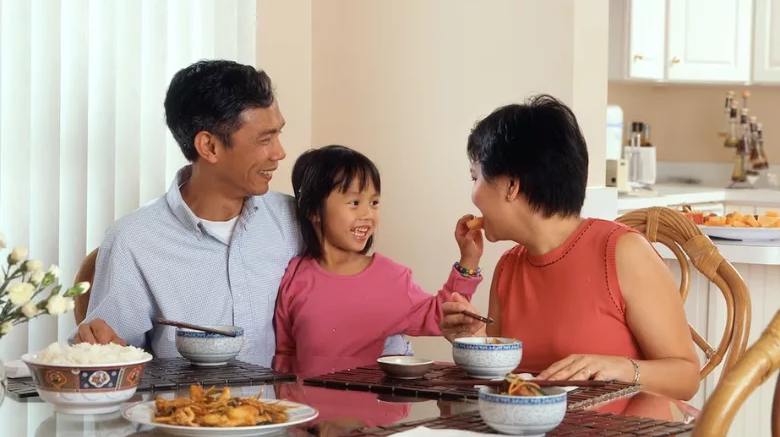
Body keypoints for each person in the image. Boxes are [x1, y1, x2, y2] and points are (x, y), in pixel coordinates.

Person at [72, 60, 411, 367]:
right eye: (265, 139)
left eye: (278, 133)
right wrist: (99, 352)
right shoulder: (135, 241)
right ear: (210, 147)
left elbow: (363, 298)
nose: (280, 153)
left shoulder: (299, 219)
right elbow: (107, 358)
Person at [439, 95, 700, 401]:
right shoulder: (509, 266)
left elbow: (687, 377)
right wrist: (475, 340)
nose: (473, 195)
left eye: (476, 177)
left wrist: (618, 368)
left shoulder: (623, 253)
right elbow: (509, 383)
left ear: (512, 186)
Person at [273, 145, 484, 377]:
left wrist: (468, 260)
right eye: (354, 203)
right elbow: (285, 353)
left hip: (373, 409)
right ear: (314, 210)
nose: (368, 214)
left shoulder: (392, 277)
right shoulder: (295, 275)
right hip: (308, 410)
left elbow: (442, 315)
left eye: (374, 202)